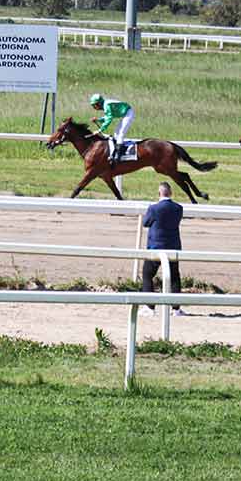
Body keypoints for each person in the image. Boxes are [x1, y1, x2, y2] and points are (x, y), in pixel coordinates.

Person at [140, 182, 186, 317]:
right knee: (175, 278)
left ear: (159, 193)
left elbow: (145, 223)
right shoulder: (179, 208)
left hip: (156, 247)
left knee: (147, 275)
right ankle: (176, 309)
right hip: (173, 247)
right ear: (170, 193)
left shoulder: (153, 208)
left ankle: (149, 307)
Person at [89, 93, 135, 167]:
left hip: (128, 113)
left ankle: (118, 156)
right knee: (116, 134)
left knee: (121, 134)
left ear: (98, 103)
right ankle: (118, 153)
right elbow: (107, 117)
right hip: (125, 114)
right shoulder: (105, 105)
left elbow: (109, 119)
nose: (94, 107)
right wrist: (98, 120)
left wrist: (100, 130)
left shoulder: (106, 105)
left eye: (94, 105)